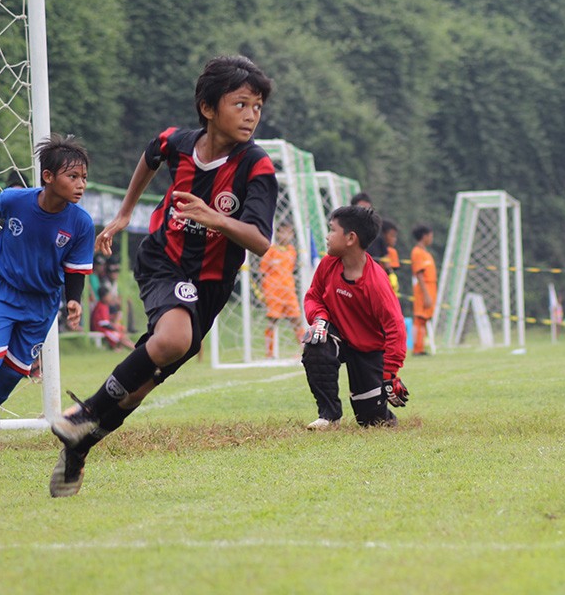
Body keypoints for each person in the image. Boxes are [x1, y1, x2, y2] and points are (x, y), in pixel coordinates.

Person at [48, 55, 277, 498]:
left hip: (211, 287)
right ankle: (83, 415)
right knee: (173, 341)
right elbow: (152, 154)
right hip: (163, 259)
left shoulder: (256, 166)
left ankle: (79, 446)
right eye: (241, 104)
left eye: (258, 107)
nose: (251, 115)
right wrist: (125, 213)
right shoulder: (179, 142)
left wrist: (215, 218)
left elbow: (260, 240)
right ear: (208, 108)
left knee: (137, 389)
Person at [0, 135, 94, 444]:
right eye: (73, 177)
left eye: (83, 178)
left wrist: (74, 301)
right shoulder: (16, 199)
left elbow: (76, 269)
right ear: (49, 177)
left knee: (13, 373)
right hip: (3, 290)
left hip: (41, 305)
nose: (81, 184)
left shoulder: (81, 223)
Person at [302, 206, 408, 430]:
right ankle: (329, 417)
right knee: (316, 343)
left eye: (332, 230)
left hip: (369, 350)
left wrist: (390, 375)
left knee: (371, 422)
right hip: (338, 337)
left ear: (351, 238)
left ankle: (380, 410)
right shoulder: (328, 263)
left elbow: (395, 328)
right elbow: (313, 296)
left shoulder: (376, 282)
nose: (327, 236)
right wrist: (319, 319)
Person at [259, 221, 304, 357]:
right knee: (273, 321)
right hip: (273, 292)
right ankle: (270, 353)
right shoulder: (271, 251)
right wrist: (263, 291)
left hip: (289, 292)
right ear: (277, 233)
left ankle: (305, 350)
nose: (285, 235)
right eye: (282, 232)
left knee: (296, 320)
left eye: (288, 232)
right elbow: (263, 271)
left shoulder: (292, 251)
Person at [410, 224, 437, 356]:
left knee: (425, 319)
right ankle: (417, 348)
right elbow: (419, 274)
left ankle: (421, 347)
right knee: (419, 319)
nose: (431, 238)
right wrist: (426, 294)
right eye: (430, 236)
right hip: (423, 289)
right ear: (424, 236)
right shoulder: (417, 252)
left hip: (430, 287)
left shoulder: (425, 253)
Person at [379, 219, 402, 298]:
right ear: (383, 235)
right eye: (392, 236)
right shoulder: (391, 251)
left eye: (395, 236)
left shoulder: (392, 251)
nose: (394, 239)